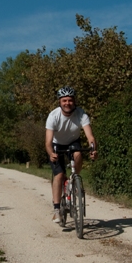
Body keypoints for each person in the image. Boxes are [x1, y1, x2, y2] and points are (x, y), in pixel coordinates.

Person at [45, 87, 97, 223]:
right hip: (57, 144)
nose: (67, 103)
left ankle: (75, 179)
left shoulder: (81, 114)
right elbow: (48, 142)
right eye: (64, 100)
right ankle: (57, 209)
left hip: (73, 142)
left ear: (74, 101)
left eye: (70, 100)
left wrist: (93, 149)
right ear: (60, 102)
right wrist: (51, 153)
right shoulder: (53, 116)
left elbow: (90, 137)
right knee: (59, 175)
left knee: (78, 153)